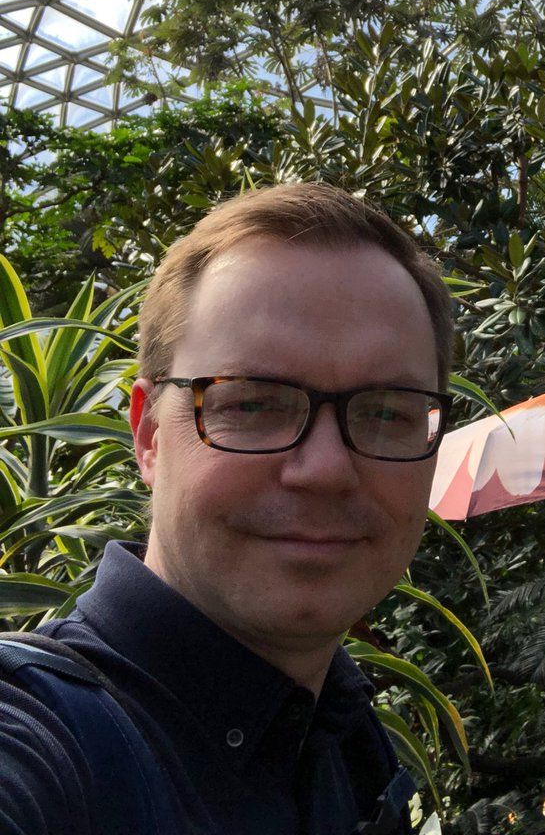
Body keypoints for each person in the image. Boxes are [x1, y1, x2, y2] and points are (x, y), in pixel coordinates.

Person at [0, 183, 455, 835]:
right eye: (252, 403)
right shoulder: (41, 739)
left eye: (388, 413)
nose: (326, 470)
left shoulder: (348, 741)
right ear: (149, 436)